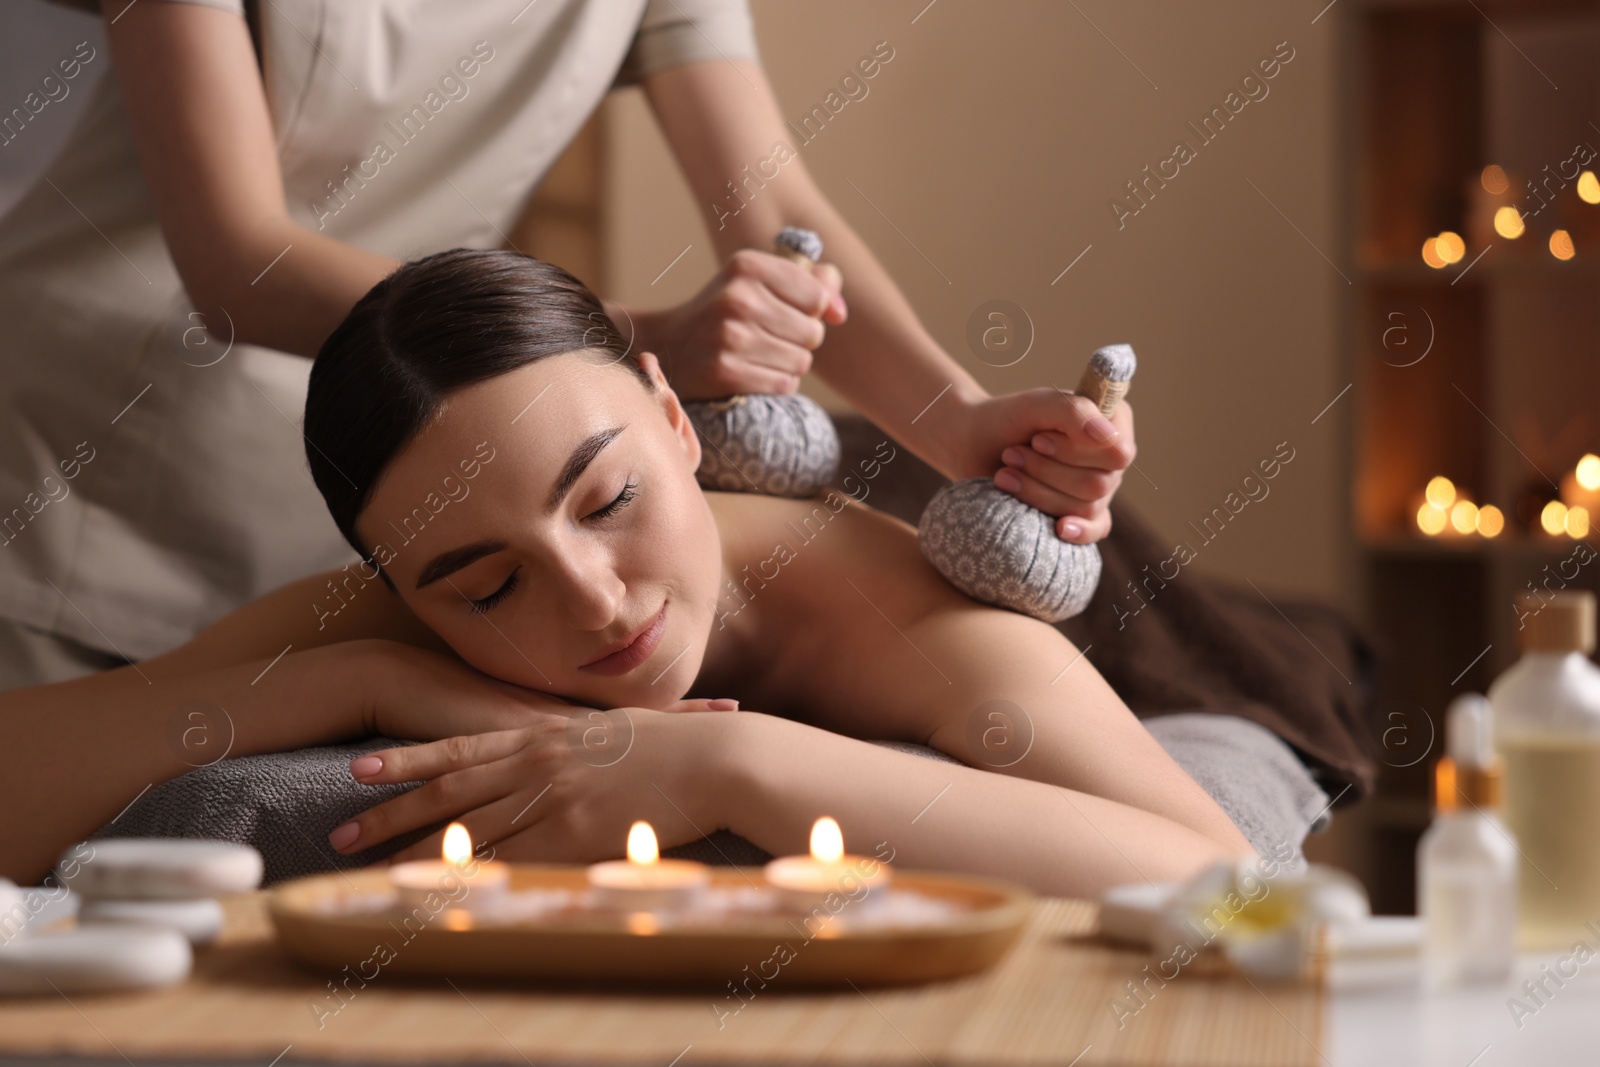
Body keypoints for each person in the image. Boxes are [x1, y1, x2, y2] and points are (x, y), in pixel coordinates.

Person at [0, 251, 1247, 898]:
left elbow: (1220, 878)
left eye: (608, 500)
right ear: (400, 579)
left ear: (671, 417)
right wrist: (362, 673)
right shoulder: (410, 594)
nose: (593, 601)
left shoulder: (885, 603)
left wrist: (730, 759)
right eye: (487, 591)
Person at [0, 0, 1133, 690]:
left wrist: (957, 421)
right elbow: (238, 265)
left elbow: (772, 195)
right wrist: (622, 350)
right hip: (78, 458)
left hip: (398, 473)